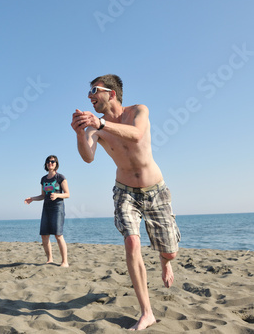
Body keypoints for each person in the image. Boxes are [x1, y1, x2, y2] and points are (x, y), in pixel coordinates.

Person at [71, 74, 181, 331]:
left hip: (156, 190)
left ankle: (165, 261)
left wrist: (100, 123)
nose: (89, 96)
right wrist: (80, 133)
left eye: (94, 90)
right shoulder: (95, 127)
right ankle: (147, 312)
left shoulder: (138, 111)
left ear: (111, 93)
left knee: (170, 251)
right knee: (132, 242)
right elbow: (88, 157)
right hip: (125, 192)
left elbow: (136, 135)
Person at [24, 155, 70, 267]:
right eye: (48, 162)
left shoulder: (60, 177)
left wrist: (57, 195)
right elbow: (43, 195)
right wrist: (32, 199)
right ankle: (49, 259)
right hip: (46, 208)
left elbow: (67, 194)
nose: (50, 163)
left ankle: (65, 262)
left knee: (58, 235)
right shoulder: (43, 179)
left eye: (53, 161)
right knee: (44, 235)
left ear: (56, 164)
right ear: (46, 164)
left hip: (57, 207)